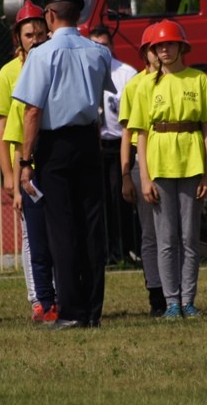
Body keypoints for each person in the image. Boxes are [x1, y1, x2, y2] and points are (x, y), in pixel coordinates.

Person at [12, 0, 113, 330]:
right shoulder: (99, 52)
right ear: (78, 15)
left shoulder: (42, 55)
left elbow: (32, 110)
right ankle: (92, 310)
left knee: (61, 228)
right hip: (88, 139)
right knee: (92, 226)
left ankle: (70, 310)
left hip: (55, 146)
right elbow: (100, 99)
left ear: (50, 17)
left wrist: (25, 162)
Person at [127, 19, 207, 320]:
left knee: (190, 238)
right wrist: (144, 176)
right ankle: (171, 302)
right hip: (159, 166)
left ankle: (189, 299)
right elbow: (140, 133)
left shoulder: (199, 80)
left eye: (169, 44)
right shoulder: (145, 85)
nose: (164, 49)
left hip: (191, 164)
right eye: (159, 46)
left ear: (182, 47)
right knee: (165, 239)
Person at [0, 0, 52, 321]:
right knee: (31, 234)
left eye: (41, 32)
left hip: (51, 158)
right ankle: (36, 297)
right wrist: (9, 176)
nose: (36, 39)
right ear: (18, 37)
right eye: (29, 34)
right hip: (22, 162)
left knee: (54, 230)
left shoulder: (54, 61)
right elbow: (3, 128)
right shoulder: (7, 73)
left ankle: (57, 292)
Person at [118, 23, 165, 316]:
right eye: (152, 48)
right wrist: (126, 175)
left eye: (162, 47)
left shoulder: (178, 79)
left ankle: (180, 293)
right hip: (142, 162)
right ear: (145, 53)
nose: (158, 54)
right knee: (150, 234)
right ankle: (156, 294)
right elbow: (126, 133)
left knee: (174, 233)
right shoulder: (135, 85)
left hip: (173, 159)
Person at [89, 25, 138, 264]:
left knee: (122, 198)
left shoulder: (127, 74)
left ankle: (127, 249)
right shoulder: (85, 70)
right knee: (100, 200)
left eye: (105, 45)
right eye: (95, 45)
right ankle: (105, 252)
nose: (101, 50)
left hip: (121, 143)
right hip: (96, 144)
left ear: (112, 46)